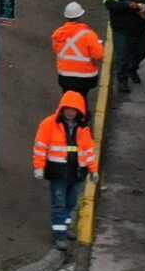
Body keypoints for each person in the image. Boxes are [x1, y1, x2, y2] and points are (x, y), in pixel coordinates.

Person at [31, 90, 100, 243]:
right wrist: (39, 167)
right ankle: (60, 235)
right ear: (62, 108)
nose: (70, 112)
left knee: (71, 202)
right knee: (59, 203)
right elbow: (40, 147)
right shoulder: (49, 124)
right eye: (67, 108)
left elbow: (88, 151)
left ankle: (64, 227)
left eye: (73, 109)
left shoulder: (83, 128)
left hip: (76, 173)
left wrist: (93, 170)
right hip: (58, 173)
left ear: (79, 111)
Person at [52, 0, 106, 100]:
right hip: (86, 77)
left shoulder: (58, 33)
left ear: (66, 17)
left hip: (65, 76)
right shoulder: (89, 34)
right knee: (82, 98)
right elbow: (99, 55)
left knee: (67, 98)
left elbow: (56, 49)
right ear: (81, 16)